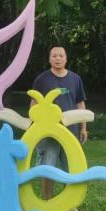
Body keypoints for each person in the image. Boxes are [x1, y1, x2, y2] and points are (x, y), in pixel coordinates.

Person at [31, 46, 88, 200]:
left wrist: (83, 127)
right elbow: (34, 104)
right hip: (48, 133)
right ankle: (47, 200)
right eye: (54, 56)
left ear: (66, 59)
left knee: (72, 168)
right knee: (48, 167)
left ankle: (70, 202)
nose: (58, 58)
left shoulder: (75, 79)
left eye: (61, 56)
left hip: (71, 132)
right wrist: (33, 129)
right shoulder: (41, 79)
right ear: (49, 59)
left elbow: (80, 103)